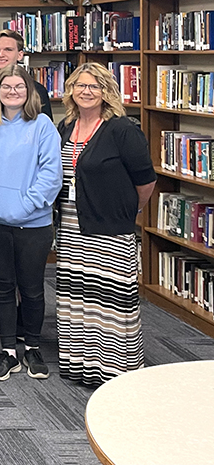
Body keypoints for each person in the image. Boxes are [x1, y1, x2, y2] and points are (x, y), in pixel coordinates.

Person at [55, 62, 155, 386]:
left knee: (111, 305)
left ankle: (116, 374)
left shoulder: (122, 129)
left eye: (94, 86)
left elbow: (145, 180)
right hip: (70, 226)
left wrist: (128, 210)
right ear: (71, 90)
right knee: (78, 299)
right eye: (80, 85)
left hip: (110, 229)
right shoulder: (65, 127)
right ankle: (81, 366)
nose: (86, 91)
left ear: (106, 92)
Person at [0, 65, 62, 381]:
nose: (12, 91)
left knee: (32, 288)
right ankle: (8, 350)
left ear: (29, 90)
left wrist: (27, 205)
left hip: (34, 223)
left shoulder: (43, 125)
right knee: (2, 286)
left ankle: (33, 347)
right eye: (6, 86)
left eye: (18, 86)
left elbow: (52, 174)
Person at [0, 30, 52, 119]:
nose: (1, 54)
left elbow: (45, 127)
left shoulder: (37, 90)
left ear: (20, 55)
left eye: (8, 49)